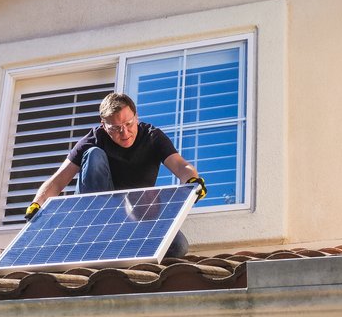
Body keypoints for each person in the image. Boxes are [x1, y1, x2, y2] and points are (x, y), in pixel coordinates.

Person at [24, 92, 207, 258]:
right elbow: (57, 181)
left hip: (136, 216)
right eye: (116, 128)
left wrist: (192, 181)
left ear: (136, 116)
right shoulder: (92, 140)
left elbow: (180, 165)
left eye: (129, 124)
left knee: (178, 246)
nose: (125, 133)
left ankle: (127, 249)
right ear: (103, 125)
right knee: (94, 154)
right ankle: (95, 231)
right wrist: (37, 204)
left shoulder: (152, 137)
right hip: (97, 215)